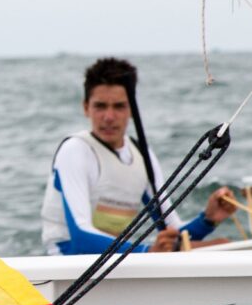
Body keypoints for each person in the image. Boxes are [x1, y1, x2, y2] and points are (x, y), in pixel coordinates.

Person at [40, 57, 236, 255]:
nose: (109, 117)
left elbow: (172, 233)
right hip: (66, 266)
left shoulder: (142, 155)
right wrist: (146, 252)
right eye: (100, 106)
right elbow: (81, 238)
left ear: (132, 109)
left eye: (119, 106)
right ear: (85, 108)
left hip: (113, 266)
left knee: (222, 245)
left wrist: (208, 220)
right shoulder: (75, 150)